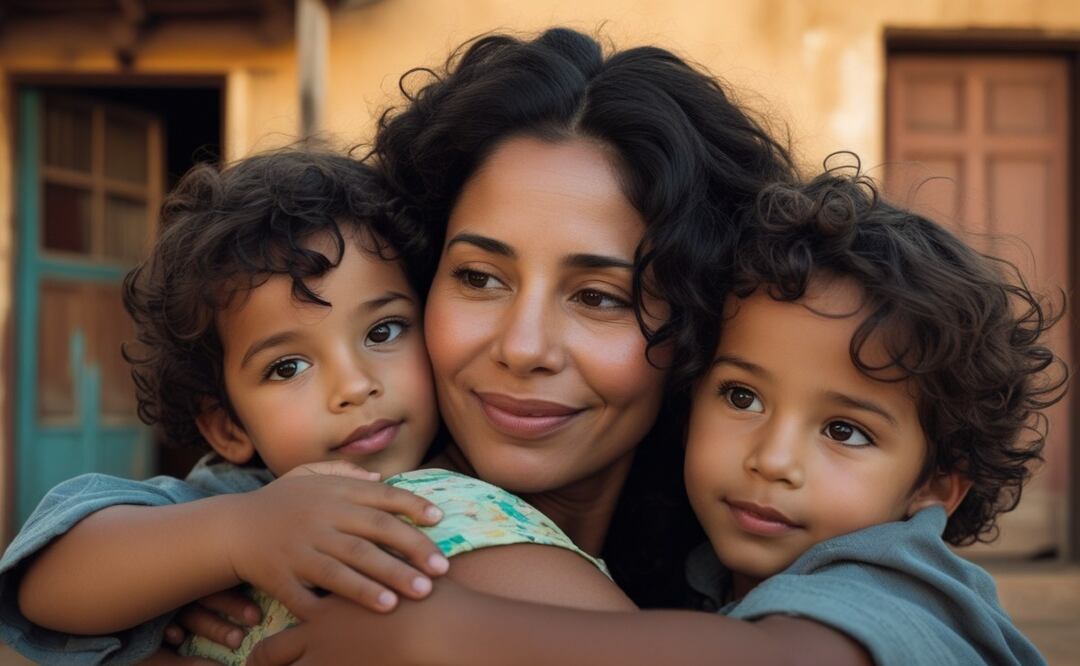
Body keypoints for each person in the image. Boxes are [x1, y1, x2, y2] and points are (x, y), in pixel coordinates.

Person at [5, 26, 800, 663]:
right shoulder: (310, 498)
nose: (523, 347)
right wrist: (232, 542)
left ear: (696, 317)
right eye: (480, 278)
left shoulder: (778, 520)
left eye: (599, 297)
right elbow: (47, 574)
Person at [248, 168, 1062, 666]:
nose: (772, 458)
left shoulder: (902, 581)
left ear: (935, 489)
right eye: (742, 397)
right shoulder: (706, 580)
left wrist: (443, 635)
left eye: (844, 431)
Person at [0, 149, 611, 665]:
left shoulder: (474, 492)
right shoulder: (236, 495)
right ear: (228, 426)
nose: (353, 386)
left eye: (384, 332)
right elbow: (46, 583)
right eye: (287, 367)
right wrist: (237, 537)